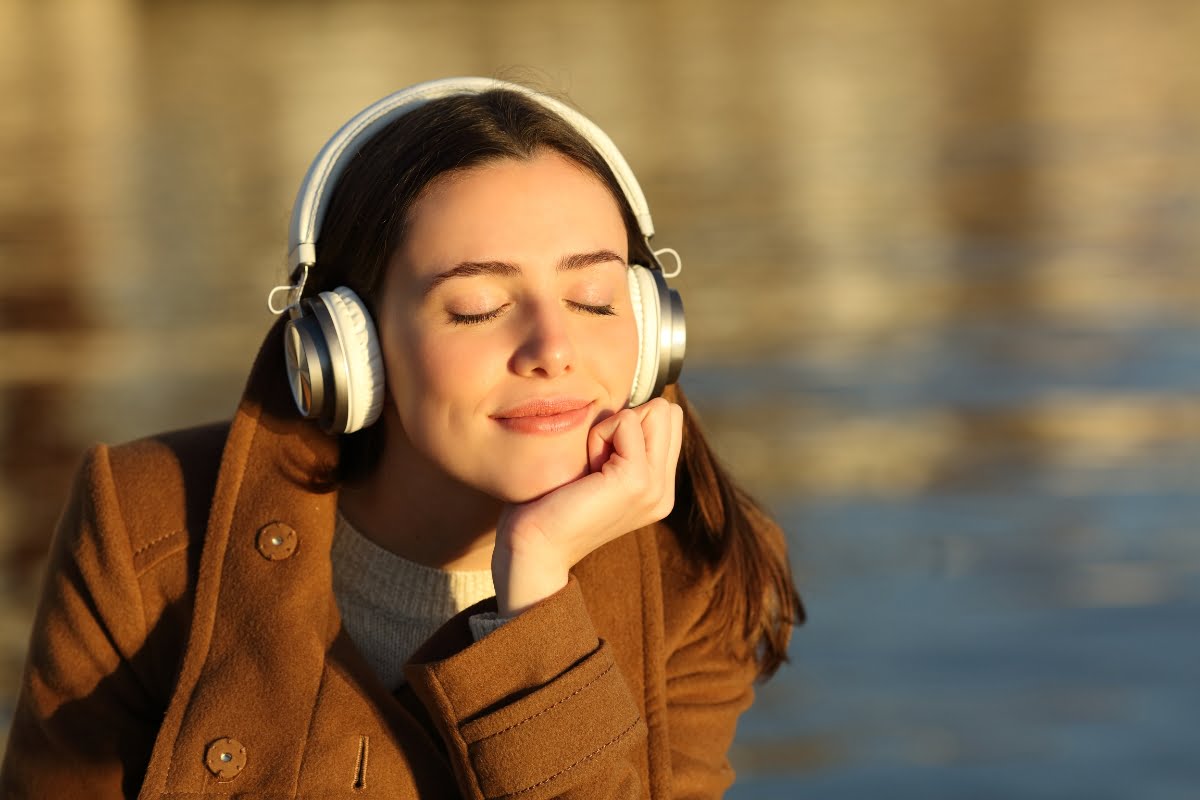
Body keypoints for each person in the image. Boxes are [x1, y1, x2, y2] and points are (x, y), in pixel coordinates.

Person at [1, 77, 803, 798]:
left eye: (594, 299)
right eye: (478, 307)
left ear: (651, 330)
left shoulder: (694, 571)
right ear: (349, 349)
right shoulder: (149, 527)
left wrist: (536, 590)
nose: (552, 348)